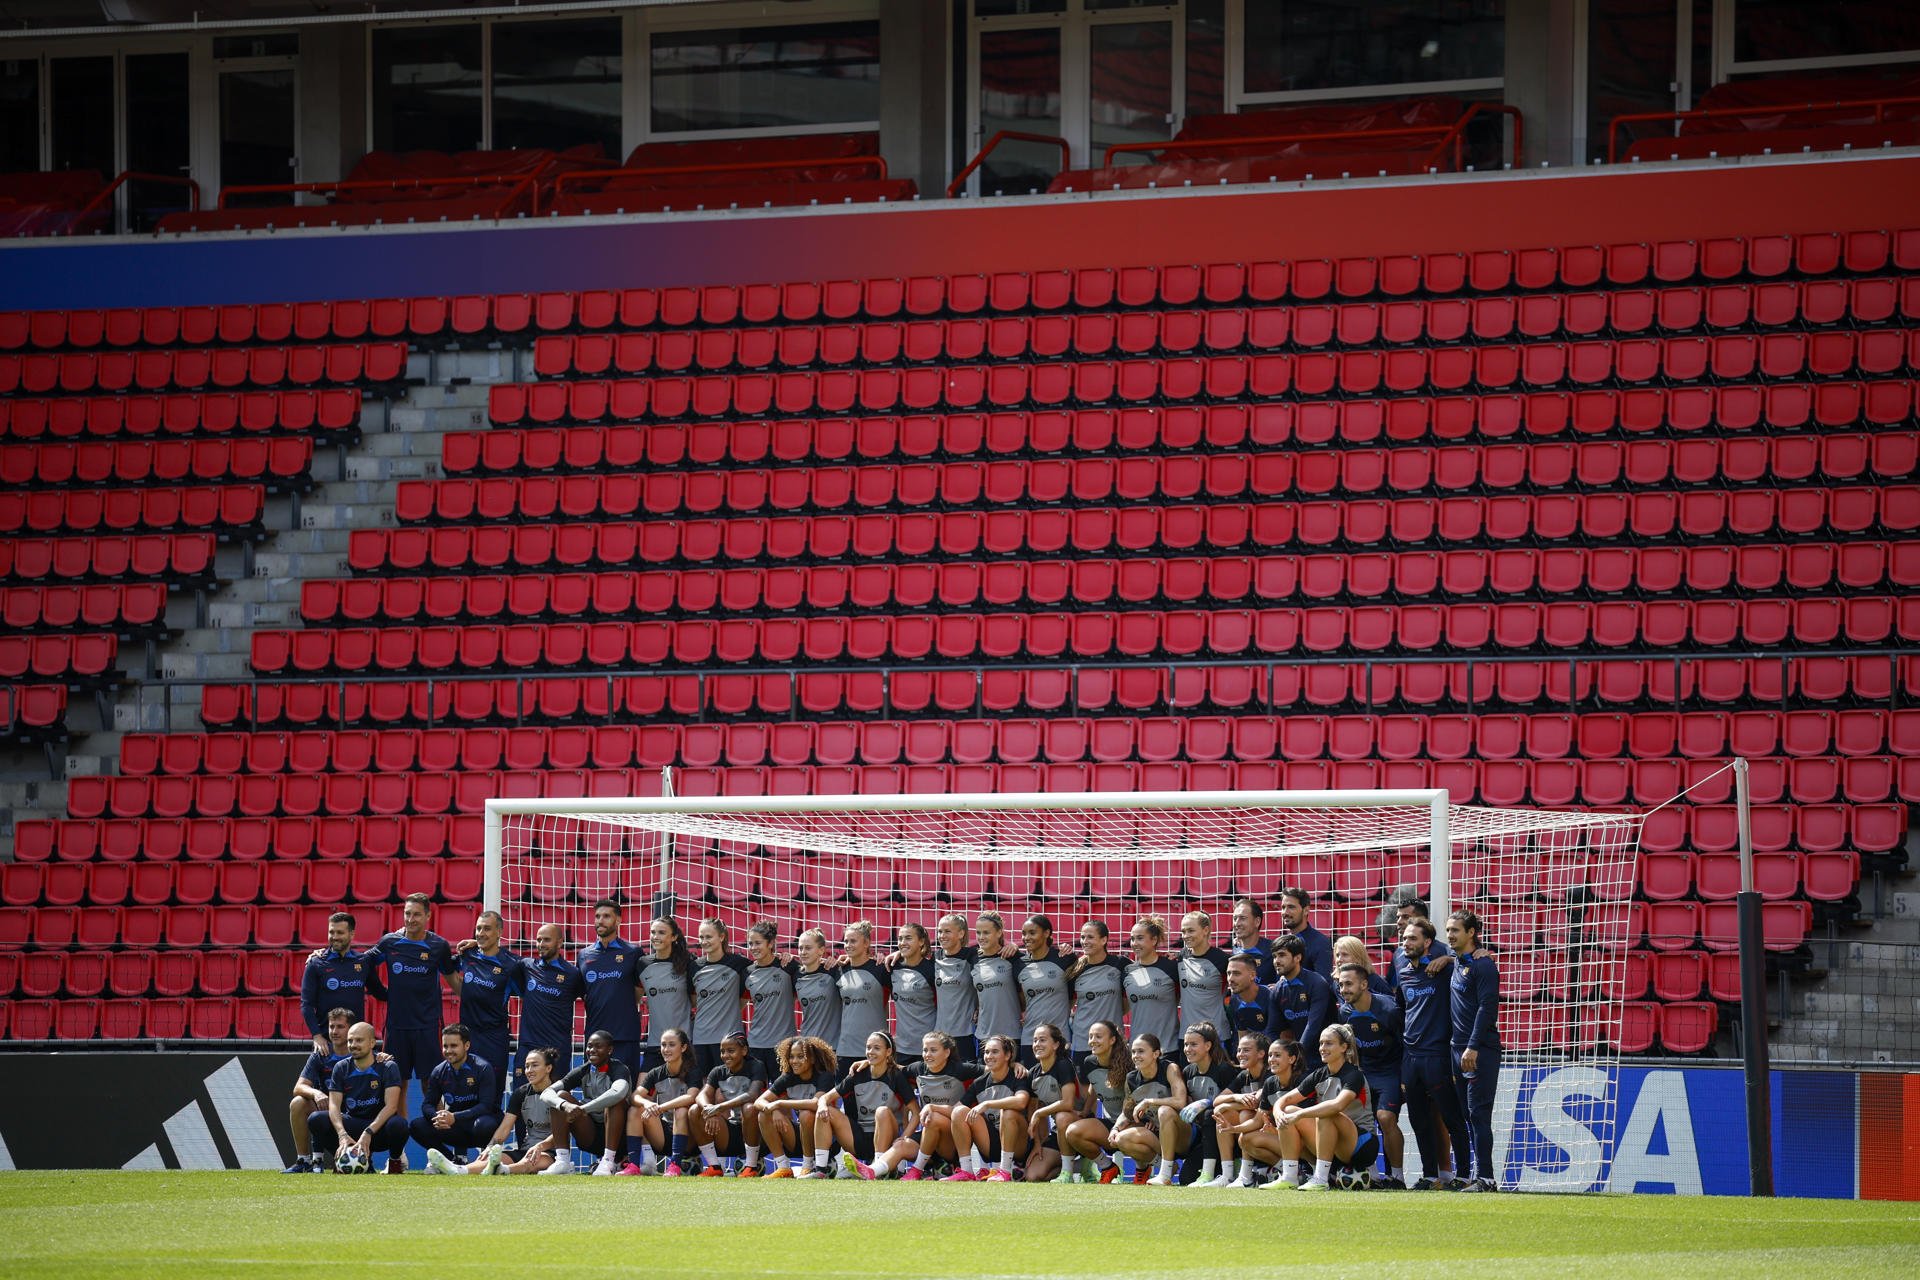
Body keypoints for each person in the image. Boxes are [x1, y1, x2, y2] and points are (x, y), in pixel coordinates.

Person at [1395, 915, 1466, 1190]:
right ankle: (1429, 1175)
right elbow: (1403, 1010)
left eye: (1413, 938)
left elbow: (1469, 961)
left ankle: (1462, 1175)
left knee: (1451, 1119)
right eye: (1404, 938)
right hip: (1411, 1059)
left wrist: (1449, 959)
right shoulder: (1403, 972)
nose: (1406, 942)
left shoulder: (1444, 969)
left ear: (1427, 942)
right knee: (1418, 1121)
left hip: (1437, 1056)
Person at [366, 894, 460, 1099]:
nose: (411, 919)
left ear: (428, 915)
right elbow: (363, 964)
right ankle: (398, 1130)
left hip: (428, 1025)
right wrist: (381, 992)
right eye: (407, 914)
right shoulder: (390, 942)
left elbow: (453, 978)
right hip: (396, 1026)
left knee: (431, 1084)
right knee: (396, 1085)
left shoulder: (439, 945)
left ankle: (436, 1129)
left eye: (417, 914)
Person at [1266, 1024, 1380, 1192]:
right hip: (1335, 1147)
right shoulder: (1319, 1074)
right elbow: (1286, 1099)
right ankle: (1290, 1177)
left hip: (1362, 1145)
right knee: (1288, 1111)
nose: (1322, 1048)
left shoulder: (1354, 1075)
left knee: (1326, 1113)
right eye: (1321, 1043)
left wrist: (1301, 1115)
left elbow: (1337, 1105)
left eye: (1328, 1043)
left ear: (1344, 1047)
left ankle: (1320, 1178)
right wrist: (1277, 1112)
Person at [426, 1045, 566, 1176]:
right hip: (526, 1149)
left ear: (548, 1068)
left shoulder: (559, 1094)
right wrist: (490, 1146)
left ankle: (502, 1169)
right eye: (527, 1066)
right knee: (489, 1159)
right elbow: (505, 1127)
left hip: (550, 1153)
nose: (529, 1071)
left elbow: (562, 1133)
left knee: (528, 1163)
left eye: (534, 1065)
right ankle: (456, 1169)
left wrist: (540, 1146)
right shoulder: (521, 1093)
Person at [809, 1030, 919, 1180]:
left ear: (888, 1052)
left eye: (876, 1048)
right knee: (826, 1111)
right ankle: (820, 1170)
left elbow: (916, 1112)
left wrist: (905, 1136)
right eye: (868, 1047)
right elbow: (825, 1098)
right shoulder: (857, 1073)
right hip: (859, 1138)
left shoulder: (896, 1076)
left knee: (882, 1111)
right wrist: (821, 1106)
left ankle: (879, 1168)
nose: (871, 1052)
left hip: (887, 1141)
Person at [1446, 908, 1501, 1193]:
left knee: (1479, 1114)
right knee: (1466, 1115)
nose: (1450, 935)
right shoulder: (1456, 961)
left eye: (1455, 930)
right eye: (1448, 931)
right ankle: (1469, 1175)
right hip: (1457, 1050)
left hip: (1478, 1051)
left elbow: (1487, 1008)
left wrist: (1473, 1046)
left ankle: (1487, 1179)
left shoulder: (1484, 966)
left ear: (1471, 933)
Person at [1338, 961, 1407, 1187]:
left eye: (1349, 984)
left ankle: (1397, 1177)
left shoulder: (1389, 1009)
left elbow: (1406, 1044)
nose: (1344, 989)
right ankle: (1373, 1175)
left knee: (1385, 1118)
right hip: (1364, 1074)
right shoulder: (1344, 1012)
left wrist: (1405, 1077)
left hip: (1390, 1073)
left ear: (1364, 984)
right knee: (1358, 1123)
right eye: (1341, 984)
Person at [313, 1021, 407, 1173]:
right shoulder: (341, 1067)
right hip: (353, 1125)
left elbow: (391, 1107)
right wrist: (342, 1134)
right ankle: (344, 1157)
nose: (353, 1044)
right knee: (316, 1119)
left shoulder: (388, 1066)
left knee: (399, 1125)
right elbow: (334, 1105)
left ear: (372, 1043)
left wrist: (368, 1132)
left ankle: (395, 1163)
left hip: (378, 1129)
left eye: (359, 1040)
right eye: (350, 1040)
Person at [408, 1023, 500, 1167]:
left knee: (484, 1125)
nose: (448, 1050)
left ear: (467, 1045)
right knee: (416, 1126)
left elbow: (486, 1106)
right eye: (445, 1046)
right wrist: (437, 1117)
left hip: (478, 1124)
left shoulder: (482, 1068)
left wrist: (454, 1117)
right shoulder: (438, 1071)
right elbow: (427, 1104)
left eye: (454, 1046)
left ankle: (486, 1162)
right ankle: (451, 1161)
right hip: (454, 1126)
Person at [942, 1033, 1030, 1182]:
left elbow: (1021, 1101)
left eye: (995, 1052)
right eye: (987, 1052)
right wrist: (931, 1108)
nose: (989, 1056)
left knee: (1007, 1112)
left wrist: (987, 1104)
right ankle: (966, 1171)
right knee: (959, 1112)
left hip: (1019, 1145)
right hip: (992, 1144)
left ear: (1008, 1055)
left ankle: (1005, 1171)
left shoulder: (1018, 1075)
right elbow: (955, 1110)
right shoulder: (979, 1083)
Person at [1108, 1032, 1187, 1186]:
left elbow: (1180, 1101)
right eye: (1133, 1052)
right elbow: (1127, 1113)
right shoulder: (1131, 1078)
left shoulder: (1170, 1068)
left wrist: (1149, 1102)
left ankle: (1164, 1175)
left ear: (1156, 1054)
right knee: (1121, 1139)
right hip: (1157, 1137)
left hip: (1183, 1135)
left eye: (1141, 1051)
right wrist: (1115, 1128)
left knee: (1164, 1111)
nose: (1136, 1055)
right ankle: (1166, 1168)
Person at [752, 1034, 837, 1177]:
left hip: (824, 1138)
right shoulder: (788, 1077)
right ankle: (783, 1167)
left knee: (806, 1114)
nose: (794, 1061)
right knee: (763, 1114)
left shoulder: (824, 1076)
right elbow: (758, 1102)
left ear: (812, 1059)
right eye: (791, 1056)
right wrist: (774, 1111)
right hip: (799, 1136)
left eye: (800, 1056)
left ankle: (808, 1165)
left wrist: (778, 1103)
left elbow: (815, 1103)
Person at [550, 1029, 633, 1176]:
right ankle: (562, 1161)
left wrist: (583, 1109)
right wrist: (565, 1105)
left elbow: (617, 1093)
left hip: (620, 1137)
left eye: (598, 1046)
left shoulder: (620, 1069)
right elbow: (547, 1093)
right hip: (591, 1134)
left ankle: (608, 1161)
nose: (592, 1050)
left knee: (614, 1102)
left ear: (610, 1050)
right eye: (589, 1046)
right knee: (560, 1097)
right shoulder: (583, 1070)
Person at [450, 911, 520, 1085]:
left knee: (492, 1092)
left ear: (499, 932)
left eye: (487, 929)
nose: (481, 933)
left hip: (494, 1038)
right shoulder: (467, 955)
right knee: (465, 1091)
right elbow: (442, 964)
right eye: (478, 928)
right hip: (467, 1036)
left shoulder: (512, 964)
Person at [901, 1030, 982, 1180]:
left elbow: (994, 1070)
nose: (927, 1054)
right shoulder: (918, 1068)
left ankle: (918, 1170)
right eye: (925, 1050)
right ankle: (875, 1169)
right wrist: (868, 1062)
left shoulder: (960, 1069)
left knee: (934, 1117)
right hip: (929, 1134)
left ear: (946, 1053)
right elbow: (894, 1069)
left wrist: (1014, 1065)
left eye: (933, 1050)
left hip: (954, 1138)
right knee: (900, 1146)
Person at [686, 1031, 767, 1176]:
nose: (725, 1055)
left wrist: (720, 1107)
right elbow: (701, 1095)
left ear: (744, 1050)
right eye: (722, 1051)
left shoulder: (756, 1066)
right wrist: (708, 1108)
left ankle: (751, 1167)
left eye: (731, 1051)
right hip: (729, 1131)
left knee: (749, 1108)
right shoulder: (718, 1071)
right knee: (694, 1110)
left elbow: (752, 1095)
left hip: (756, 1132)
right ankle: (714, 1167)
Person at [621, 1026, 700, 1176]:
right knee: (635, 1110)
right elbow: (634, 1096)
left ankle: (675, 1165)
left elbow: (691, 1097)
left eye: (671, 1044)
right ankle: (633, 1166)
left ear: (683, 1048)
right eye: (663, 1045)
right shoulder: (656, 1072)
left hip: (689, 1138)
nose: (666, 1049)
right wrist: (647, 1103)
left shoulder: (692, 1070)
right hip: (663, 1136)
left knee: (682, 1110)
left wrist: (661, 1107)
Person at [577, 900, 642, 1076]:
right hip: (595, 1037)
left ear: (618, 920)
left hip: (625, 1035)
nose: (600, 921)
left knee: (626, 1092)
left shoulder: (633, 952)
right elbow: (585, 993)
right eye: (597, 916)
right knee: (594, 1093)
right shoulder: (584, 955)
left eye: (606, 916)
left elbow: (638, 991)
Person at [285, 1006, 354, 1172]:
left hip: (355, 1113)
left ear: (351, 1029)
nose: (334, 1031)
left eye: (340, 1027)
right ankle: (304, 1161)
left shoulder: (361, 1052)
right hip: (326, 1110)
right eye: (331, 1027)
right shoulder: (321, 1054)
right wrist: (316, 1093)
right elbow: (299, 1087)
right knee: (298, 1103)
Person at [1167, 1021, 1235, 1186]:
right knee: (1186, 1179)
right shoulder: (1188, 1072)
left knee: (1209, 1113)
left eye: (1194, 1044)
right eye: (1186, 1044)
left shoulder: (1224, 1070)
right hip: (1202, 1136)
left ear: (1208, 1045)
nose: (1188, 1049)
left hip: (1226, 1133)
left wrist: (1207, 1103)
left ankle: (1212, 1173)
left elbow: (1234, 1102)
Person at [1061, 1018, 1128, 1183]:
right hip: (1109, 1124)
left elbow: (1135, 1098)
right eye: (1090, 1037)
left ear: (1112, 1040)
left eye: (1098, 1036)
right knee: (1073, 1131)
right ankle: (1107, 1167)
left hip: (1132, 1123)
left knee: (1129, 1140)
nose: (1092, 1041)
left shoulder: (1130, 1064)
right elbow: (1093, 1086)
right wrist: (1085, 1111)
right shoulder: (1089, 1062)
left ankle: (1147, 1167)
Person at [514, 923, 584, 1077]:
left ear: (559, 942)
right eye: (538, 940)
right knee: (522, 1098)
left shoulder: (573, 974)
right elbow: (499, 956)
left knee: (555, 1098)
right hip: (528, 1046)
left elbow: (586, 999)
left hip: (556, 1049)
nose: (541, 944)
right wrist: (477, 945)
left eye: (546, 940)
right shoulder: (526, 966)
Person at [299, 912, 375, 1054]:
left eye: (340, 932)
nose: (334, 937)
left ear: (351, 934)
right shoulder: (316, 963)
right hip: (326, 1044)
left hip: (356, 1042)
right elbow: (306, 1005)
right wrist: (317, 1036)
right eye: (331, 932)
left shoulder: (363, 962)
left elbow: (379, 992)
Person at [1206, 1030, 1272, 1188]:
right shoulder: (1244, 1075)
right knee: (1222, 1113)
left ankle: (1246, 1176)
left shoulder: (1270, 1074)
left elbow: (1255, 1103)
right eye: (1239, 1050)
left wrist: (1231, 1103)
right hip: (1254, 1130)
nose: (1240, 1054)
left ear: (1262, 1053)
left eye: (1246, 1050)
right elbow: (1217, 1101)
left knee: (1244, 1112)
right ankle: (1228, 1175)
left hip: (1273, 1129)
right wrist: (1237, 1097)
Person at [690, 918, 752, 1079]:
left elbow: (761, 971)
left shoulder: (739, 964)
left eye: (709, 937)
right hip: (701, 1037)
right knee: (705, 1084)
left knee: (730, 1083)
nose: (704, 941)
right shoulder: (694, 967)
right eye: (701, 937)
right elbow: (693, 1000)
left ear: (722, 937)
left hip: (729, 1039)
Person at [1020, 1022, 1078, 1182]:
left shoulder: (1063, 1065)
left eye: (1043, 1040)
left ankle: (1068, 1172)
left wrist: (1040, 1113)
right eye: (1035, 1040)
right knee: (1033, 1176)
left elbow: (1068, 1103)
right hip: (1058, 1132)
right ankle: (1076, 1167)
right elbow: (1033, 1108)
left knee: (1062, 1116)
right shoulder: (1033, 1073)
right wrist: (1038, 1143)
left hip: (1079, 1126)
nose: (1037, 1044)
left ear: (1056, 1044)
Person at [639, 915, 695, 1073]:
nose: (655, 937)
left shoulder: (688, 963)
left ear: (674, 936)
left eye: (661, 933)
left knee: (688, 1094)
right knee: (639, 1093)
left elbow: (695, 1001)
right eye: (652, 932)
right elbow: (636, 998)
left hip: (684, 1044)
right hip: (656, 1043)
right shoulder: (643, 964)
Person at [1270, 933, 1335, 1069]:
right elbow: (1273, 1030)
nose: (1276, 960)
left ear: (1297, 958)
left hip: (1326, 1057)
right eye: (1274, 956)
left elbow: (1313, 1026)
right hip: (1300, 1057)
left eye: (1282, 955)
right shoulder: (1277, 990)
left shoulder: (1317, 983)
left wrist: (1296, 1055)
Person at [743, 921, 798, 1081]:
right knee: (756, 1096)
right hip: (755, 1044)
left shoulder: (788, 966)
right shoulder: (747, 972)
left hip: (784, 1044)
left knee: (783, 1096)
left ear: (771, 943)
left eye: (758, 943)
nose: (753, 947)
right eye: (750, 943)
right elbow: (740, 1003)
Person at [1015, 915, 1070, 1066]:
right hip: (1030, 1039)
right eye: (1024, 933)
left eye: (1032, 933)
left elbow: (1073, 996)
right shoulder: (1018, 964)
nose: (1026, 937)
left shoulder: (1065, 958)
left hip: (1060, 1038)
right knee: (1031, 1085)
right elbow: (1021, 1002)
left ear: (1047, 933)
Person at [1066, 921, 1128, 1056]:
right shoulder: (1075, 969)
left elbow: (1127, 1001)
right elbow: (1067, 1004)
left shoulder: (1120, 964)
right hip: (1083, 1041)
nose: (1084, 941)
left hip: (1113, 1042)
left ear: (1104, 940)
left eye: (1090, 937)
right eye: (1082, 937)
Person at [835, 920, 892, 1064]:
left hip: (875, 1048)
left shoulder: (881, 969)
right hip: (846, 1048)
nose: (848, 945)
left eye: (853, 941)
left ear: (866, 943)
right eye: (846, 941)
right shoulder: (838, 970)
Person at [1123, 916, 1181, 1052]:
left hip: (1167, 1048)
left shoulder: (1172, 967)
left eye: (1140, 938)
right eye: (1132, 939)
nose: (1134, 943)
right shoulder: (1127, 971)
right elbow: (1123, 1006)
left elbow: (1180, 997)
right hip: (1137, 1049)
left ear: (1154, 939)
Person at [930, 913, 980, 1061]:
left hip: (966, 1033)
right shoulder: (935, 957)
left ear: (961, 933)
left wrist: (1012, 945)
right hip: (941, 1035)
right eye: (939, 931)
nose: (942, 935)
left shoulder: (972, 956)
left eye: (947, 931)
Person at [1177, 912, 1233, 1043]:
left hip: (1216, 1036)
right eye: (1183, 931)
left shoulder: (1222, 960)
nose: (1185, 936)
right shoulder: (1181, 957)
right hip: (1187, 1036)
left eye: (1190, 931)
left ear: (1205, 930)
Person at [889, 923, 938, 1067]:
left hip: (928, 1048)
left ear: (921, 941)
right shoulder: (891, 966)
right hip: (902, 1048)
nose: (903, 943)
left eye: (908, 938)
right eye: (900, 938)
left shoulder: (932, 970)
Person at [970, 913, 1020, 1047]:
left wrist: (1013, 945)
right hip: (984, 1035)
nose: (981, 937)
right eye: (978, 932)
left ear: (999, 932)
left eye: (986, 933)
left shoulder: (1013, 957)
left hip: (1011, 1035)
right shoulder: (972, 959)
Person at [794, 929, 842, 1050]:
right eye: (800, 948)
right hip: (807, 1045)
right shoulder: (794, 975)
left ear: (821, 950)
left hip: (832, 1047)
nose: (803, 952)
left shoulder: (833, 971)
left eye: (808, 948)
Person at [1278, 887, 1334, 980]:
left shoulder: (1320, 943)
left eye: (1291, 907)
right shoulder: (1279, 943)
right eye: (1283, 907)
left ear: (1306, 910)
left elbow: (1324, 984)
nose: (1285, 912)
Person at [1222, 951, 1277, 1039]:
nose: (1230, 979)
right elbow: (1242, 1036)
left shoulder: (1271, 996)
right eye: (1229, 973)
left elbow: (1281, 1036)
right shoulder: (1234, 1000)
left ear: (1252, 975)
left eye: (1236, 973)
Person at [1229, 898, 1277, 984]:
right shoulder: (1233, 949)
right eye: (1235, 918)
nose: (1237, 923)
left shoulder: (1273, 951)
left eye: (1243, 918)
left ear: (1257, 922)